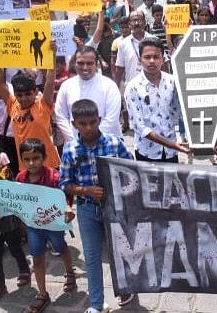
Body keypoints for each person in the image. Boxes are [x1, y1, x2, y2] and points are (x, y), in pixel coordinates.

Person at [59, 99, 134, 312]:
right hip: (86, 209)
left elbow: (130, 170)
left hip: (115, 207)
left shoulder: (114, 143)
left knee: (121, 250)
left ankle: (126, 288)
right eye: (83, 124)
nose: (89, 128)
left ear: (100, 120)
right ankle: (96, 303)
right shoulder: (70, 149)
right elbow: (65, 183)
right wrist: (87, 191)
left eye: (93, 122)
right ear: (74, 124)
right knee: (92, 257)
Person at [17, 139, 76, 313]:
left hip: (54, 224)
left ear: (44, 157)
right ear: (21, 159)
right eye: (26, 159)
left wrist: (67, 208)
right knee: (36, 257)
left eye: (35, 158)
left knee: (60, 246)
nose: (31, 163)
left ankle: (70, 272)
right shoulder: (21, 178)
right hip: (34, 225)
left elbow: (65, 196)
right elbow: (15, 198)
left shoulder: (54, 177)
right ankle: (42, 294)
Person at [0, 45, 60, 171]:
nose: (23, 98)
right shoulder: (12, 104)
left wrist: (53, 55)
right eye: (19, 95)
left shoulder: (43, 105)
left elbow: (50, 80)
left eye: (28, 94)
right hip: (26, 166)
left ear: (35, 92)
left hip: (49, 165)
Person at [125, 37, 189, 162]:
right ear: (140, 60)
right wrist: (171, 144)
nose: (152, 61)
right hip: (147, 153)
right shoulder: (133, 88)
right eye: (147, 57)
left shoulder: (172, 81)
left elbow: (181, 113)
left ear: (163, 59)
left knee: (172, 182)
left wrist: (184, 137)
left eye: (156, 56)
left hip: (171, 152)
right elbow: (140, 127)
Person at [0, 152, 31, 304]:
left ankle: (24, 270)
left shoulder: (8, 185)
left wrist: (1, 212)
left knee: (16, 250)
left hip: (10, 227)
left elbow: (16, 205)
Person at [55, 46, 122, 143]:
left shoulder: (109, 85)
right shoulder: (66, 86)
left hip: (107, 144)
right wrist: (75, 140)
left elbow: (111, 118)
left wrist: (93, 140)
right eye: (80, 63)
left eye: (89, 63)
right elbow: (61, 116)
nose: (85, 67)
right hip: (76, 144)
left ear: (96, 64)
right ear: (75, 63)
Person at [114, 10, 153, 132]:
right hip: (133, 89)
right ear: (129, 24)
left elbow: (163, 65)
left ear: (144, 22)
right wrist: (115, 88)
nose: (136, 23)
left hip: (153, 88)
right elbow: (119, 68)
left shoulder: (153, 40)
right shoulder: (123, 44)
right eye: (133, 20)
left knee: (153, 122)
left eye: (139, 20)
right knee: (138, 125)